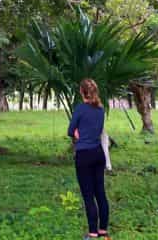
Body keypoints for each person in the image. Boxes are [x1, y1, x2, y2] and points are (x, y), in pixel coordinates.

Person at [68, 78, 112, 239]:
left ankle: (92, 232)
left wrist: (77, 133)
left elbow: (71, 130)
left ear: (82, 92)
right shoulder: (101, 109)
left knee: (88, 195)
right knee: (100, 192)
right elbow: (97, 130)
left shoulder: (80, 109)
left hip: (84, 155)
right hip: (98, 153)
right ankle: (103, 230)